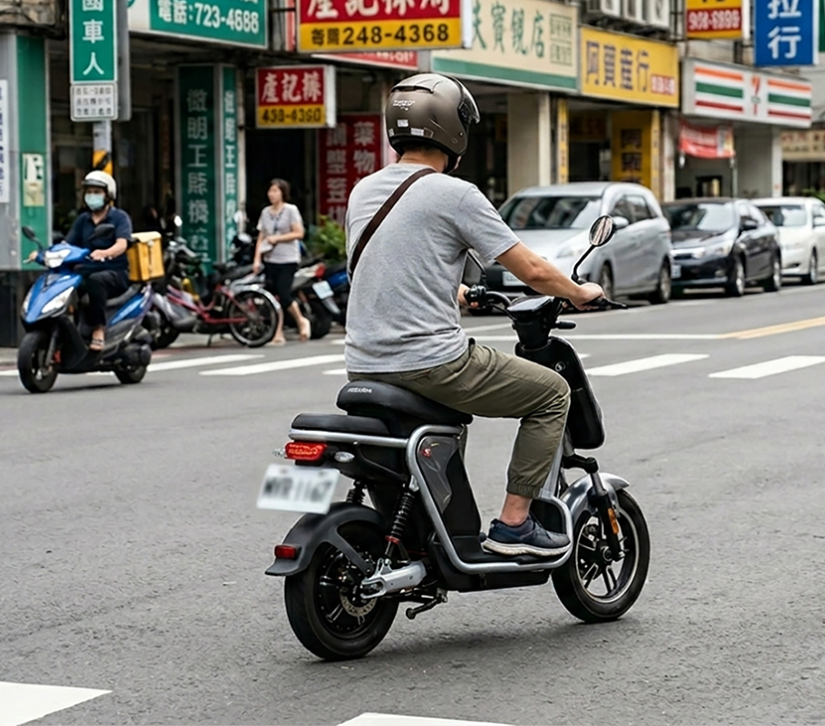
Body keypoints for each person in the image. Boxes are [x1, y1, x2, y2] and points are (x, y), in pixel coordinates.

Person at [343, 73, 604, 558]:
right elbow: (529, 268)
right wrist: (578, 291)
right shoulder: (454, 193)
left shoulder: (363, 191)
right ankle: (514, 524)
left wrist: (455, 291)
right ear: (452, 130)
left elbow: (382, 266)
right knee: (552, 394)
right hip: (429, 361)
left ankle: (431, 532)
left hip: (363, 362)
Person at [66, 171, 132, 351]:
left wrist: (105, 253)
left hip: (114, 272)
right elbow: (68, 243)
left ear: (108, 195)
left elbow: (122, 244)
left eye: (97, 192)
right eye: (89, 192)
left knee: (96, 281)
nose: (92, 196)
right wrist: (47, 253)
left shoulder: (119, 218)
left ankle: (98, 330)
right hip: (85, 269)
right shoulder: (83, 220)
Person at [252, 178, 310, 345]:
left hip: (288, 259)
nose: (272, 194)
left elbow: (299, 233)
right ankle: (277, 333)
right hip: (270, 259)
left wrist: (278, 238)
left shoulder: (291, 210)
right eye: (270, 191)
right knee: (272, 298)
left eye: (276, 191)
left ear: (283, 193)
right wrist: (257, 260)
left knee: (284, 295)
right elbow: (261, 236)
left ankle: (301, 321)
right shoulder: (265, 212)